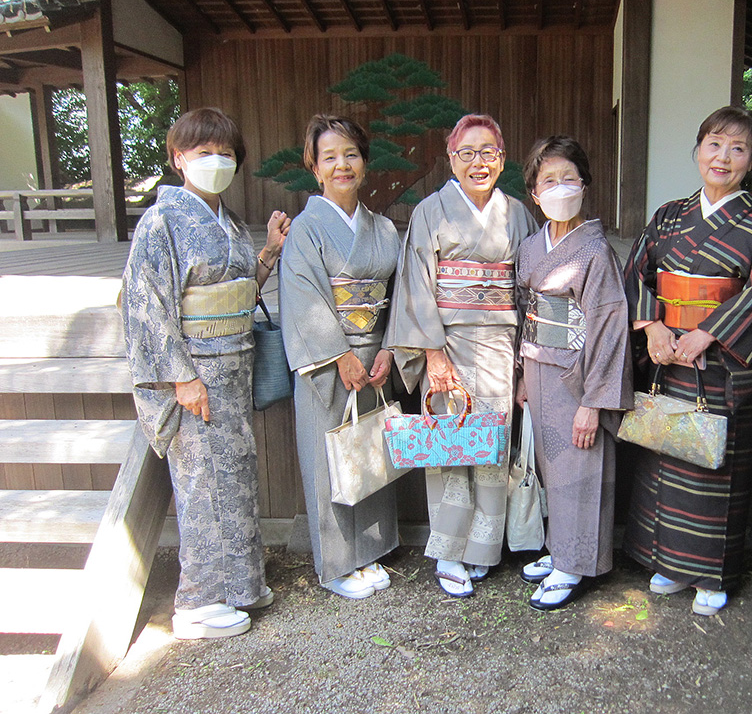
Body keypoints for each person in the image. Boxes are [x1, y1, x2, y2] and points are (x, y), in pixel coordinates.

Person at [121, 107, 290, 639]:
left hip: (234, 365)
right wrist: (179, 376)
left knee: (234, 477)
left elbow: (240, 293)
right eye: (202, 153)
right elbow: (145, 305)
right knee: (201, 483)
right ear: (178, 159)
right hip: (194, 372)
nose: (216, 162)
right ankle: (196, 601)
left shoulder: (226, 221)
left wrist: (266, 253)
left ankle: (240, 584)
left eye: (225, 153)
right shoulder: (163, 221)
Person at [621, 106, 752, 616]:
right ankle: (668, 563)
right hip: (667, 355)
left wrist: (708, 333)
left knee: (716, 465)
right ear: (697, 151)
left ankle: (712, 574)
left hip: (723, 366)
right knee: (666, 454)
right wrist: (651, 327)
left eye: (738, 148)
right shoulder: (669, 215)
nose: (724, 157)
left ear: (751, 161)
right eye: (714, 144)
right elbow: (637, 271)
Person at [386, 113, 538, 598]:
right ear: (451, 159)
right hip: (445, 344)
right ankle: (449, 554)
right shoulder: (431, 211)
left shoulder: (517, 213)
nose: (478, 161)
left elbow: (531, 288)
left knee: (492, 448)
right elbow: (416, 285)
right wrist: (432, 356)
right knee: (450, 448)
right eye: (467, 152)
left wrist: (524, 360)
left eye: (488, 152)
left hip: (500, 347)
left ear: (502, 158)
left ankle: (483, 551)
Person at [278, 115, 400, 599]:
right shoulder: (307, 230)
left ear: (364, 164)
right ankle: (335, 565)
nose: (341, 165)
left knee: (370, 453)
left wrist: (389, 347)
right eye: (329, 157)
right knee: (328, 458)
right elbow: (303, 296)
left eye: (350, 154)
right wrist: (340, 355)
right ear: (315, 168)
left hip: (376, 362)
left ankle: (368, 553)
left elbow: (401, 292)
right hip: (329, 364)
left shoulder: (384, 228)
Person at [513, 136, 632, 610]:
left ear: (584, 186)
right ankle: (561, 549)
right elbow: (527, 311)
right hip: (540, 369)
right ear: (534, 193)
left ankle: (576, 564)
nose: (560, 187)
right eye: (548, 180)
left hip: (580, 375)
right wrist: (522, 373)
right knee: (553, 466)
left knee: (581, 468)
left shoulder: (596, 251)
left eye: (569, 178)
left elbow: (609, 326)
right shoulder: (530, 247)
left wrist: (593, 401)